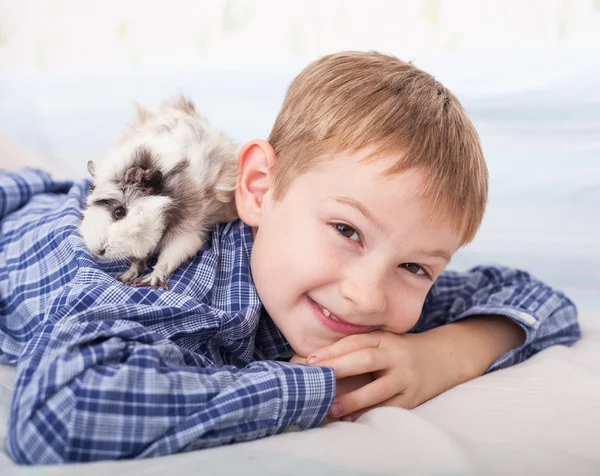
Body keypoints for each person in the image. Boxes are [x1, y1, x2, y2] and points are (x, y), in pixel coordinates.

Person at [0, 51, 579, 465]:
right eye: (347, 229)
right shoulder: (194, 293)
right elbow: (55, 408)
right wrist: (315, 389)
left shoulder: (354, 295)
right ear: (258, 188)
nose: (367, 295)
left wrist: (443, 355)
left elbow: (541, 300)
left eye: (416, 267)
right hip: (30, 221)